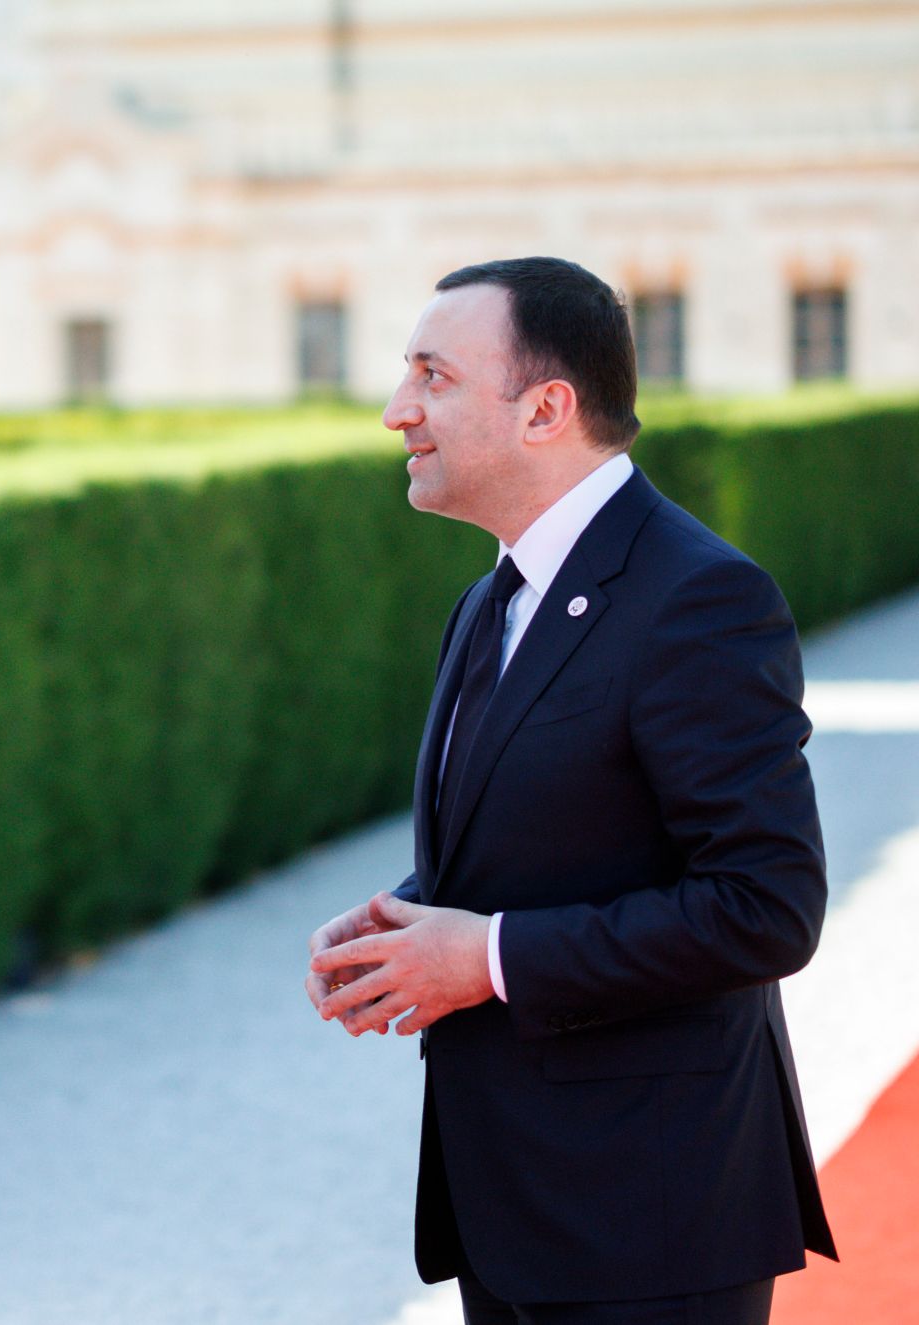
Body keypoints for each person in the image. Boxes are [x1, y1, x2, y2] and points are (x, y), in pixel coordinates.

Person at [305, 257, 836, 1324]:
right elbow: (558, 827)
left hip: (648, 1215)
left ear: (546, 408)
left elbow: (764, 904)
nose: (393, 410)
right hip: (514, 1209)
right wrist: (411, 918)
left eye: (431, 377)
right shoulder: (489, 597)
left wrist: (486, 957)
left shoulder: (701, 598)